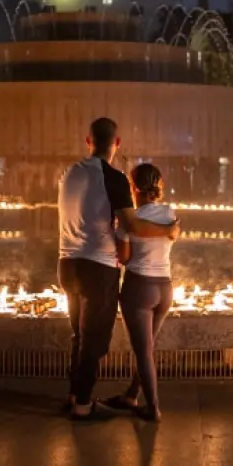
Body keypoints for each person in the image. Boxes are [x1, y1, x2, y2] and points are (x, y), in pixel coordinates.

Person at [58, 118, 179, 421]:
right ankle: (84, 406)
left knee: (78, 335)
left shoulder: (68, 173)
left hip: (66, 264)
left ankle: (74, 393)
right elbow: (131, 224)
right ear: (117, 143)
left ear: (89, 141)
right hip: (96, 269)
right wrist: (171, 230)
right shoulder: (113, 177)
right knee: (94, 339)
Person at [103, 163, 176, 422]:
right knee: (148, 347)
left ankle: (153, 407)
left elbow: (124, 258)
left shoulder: (129, 220)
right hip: (165, 288)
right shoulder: (170, 212)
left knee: (143, 351)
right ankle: (132, 394)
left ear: (133, 188)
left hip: (139, 288)